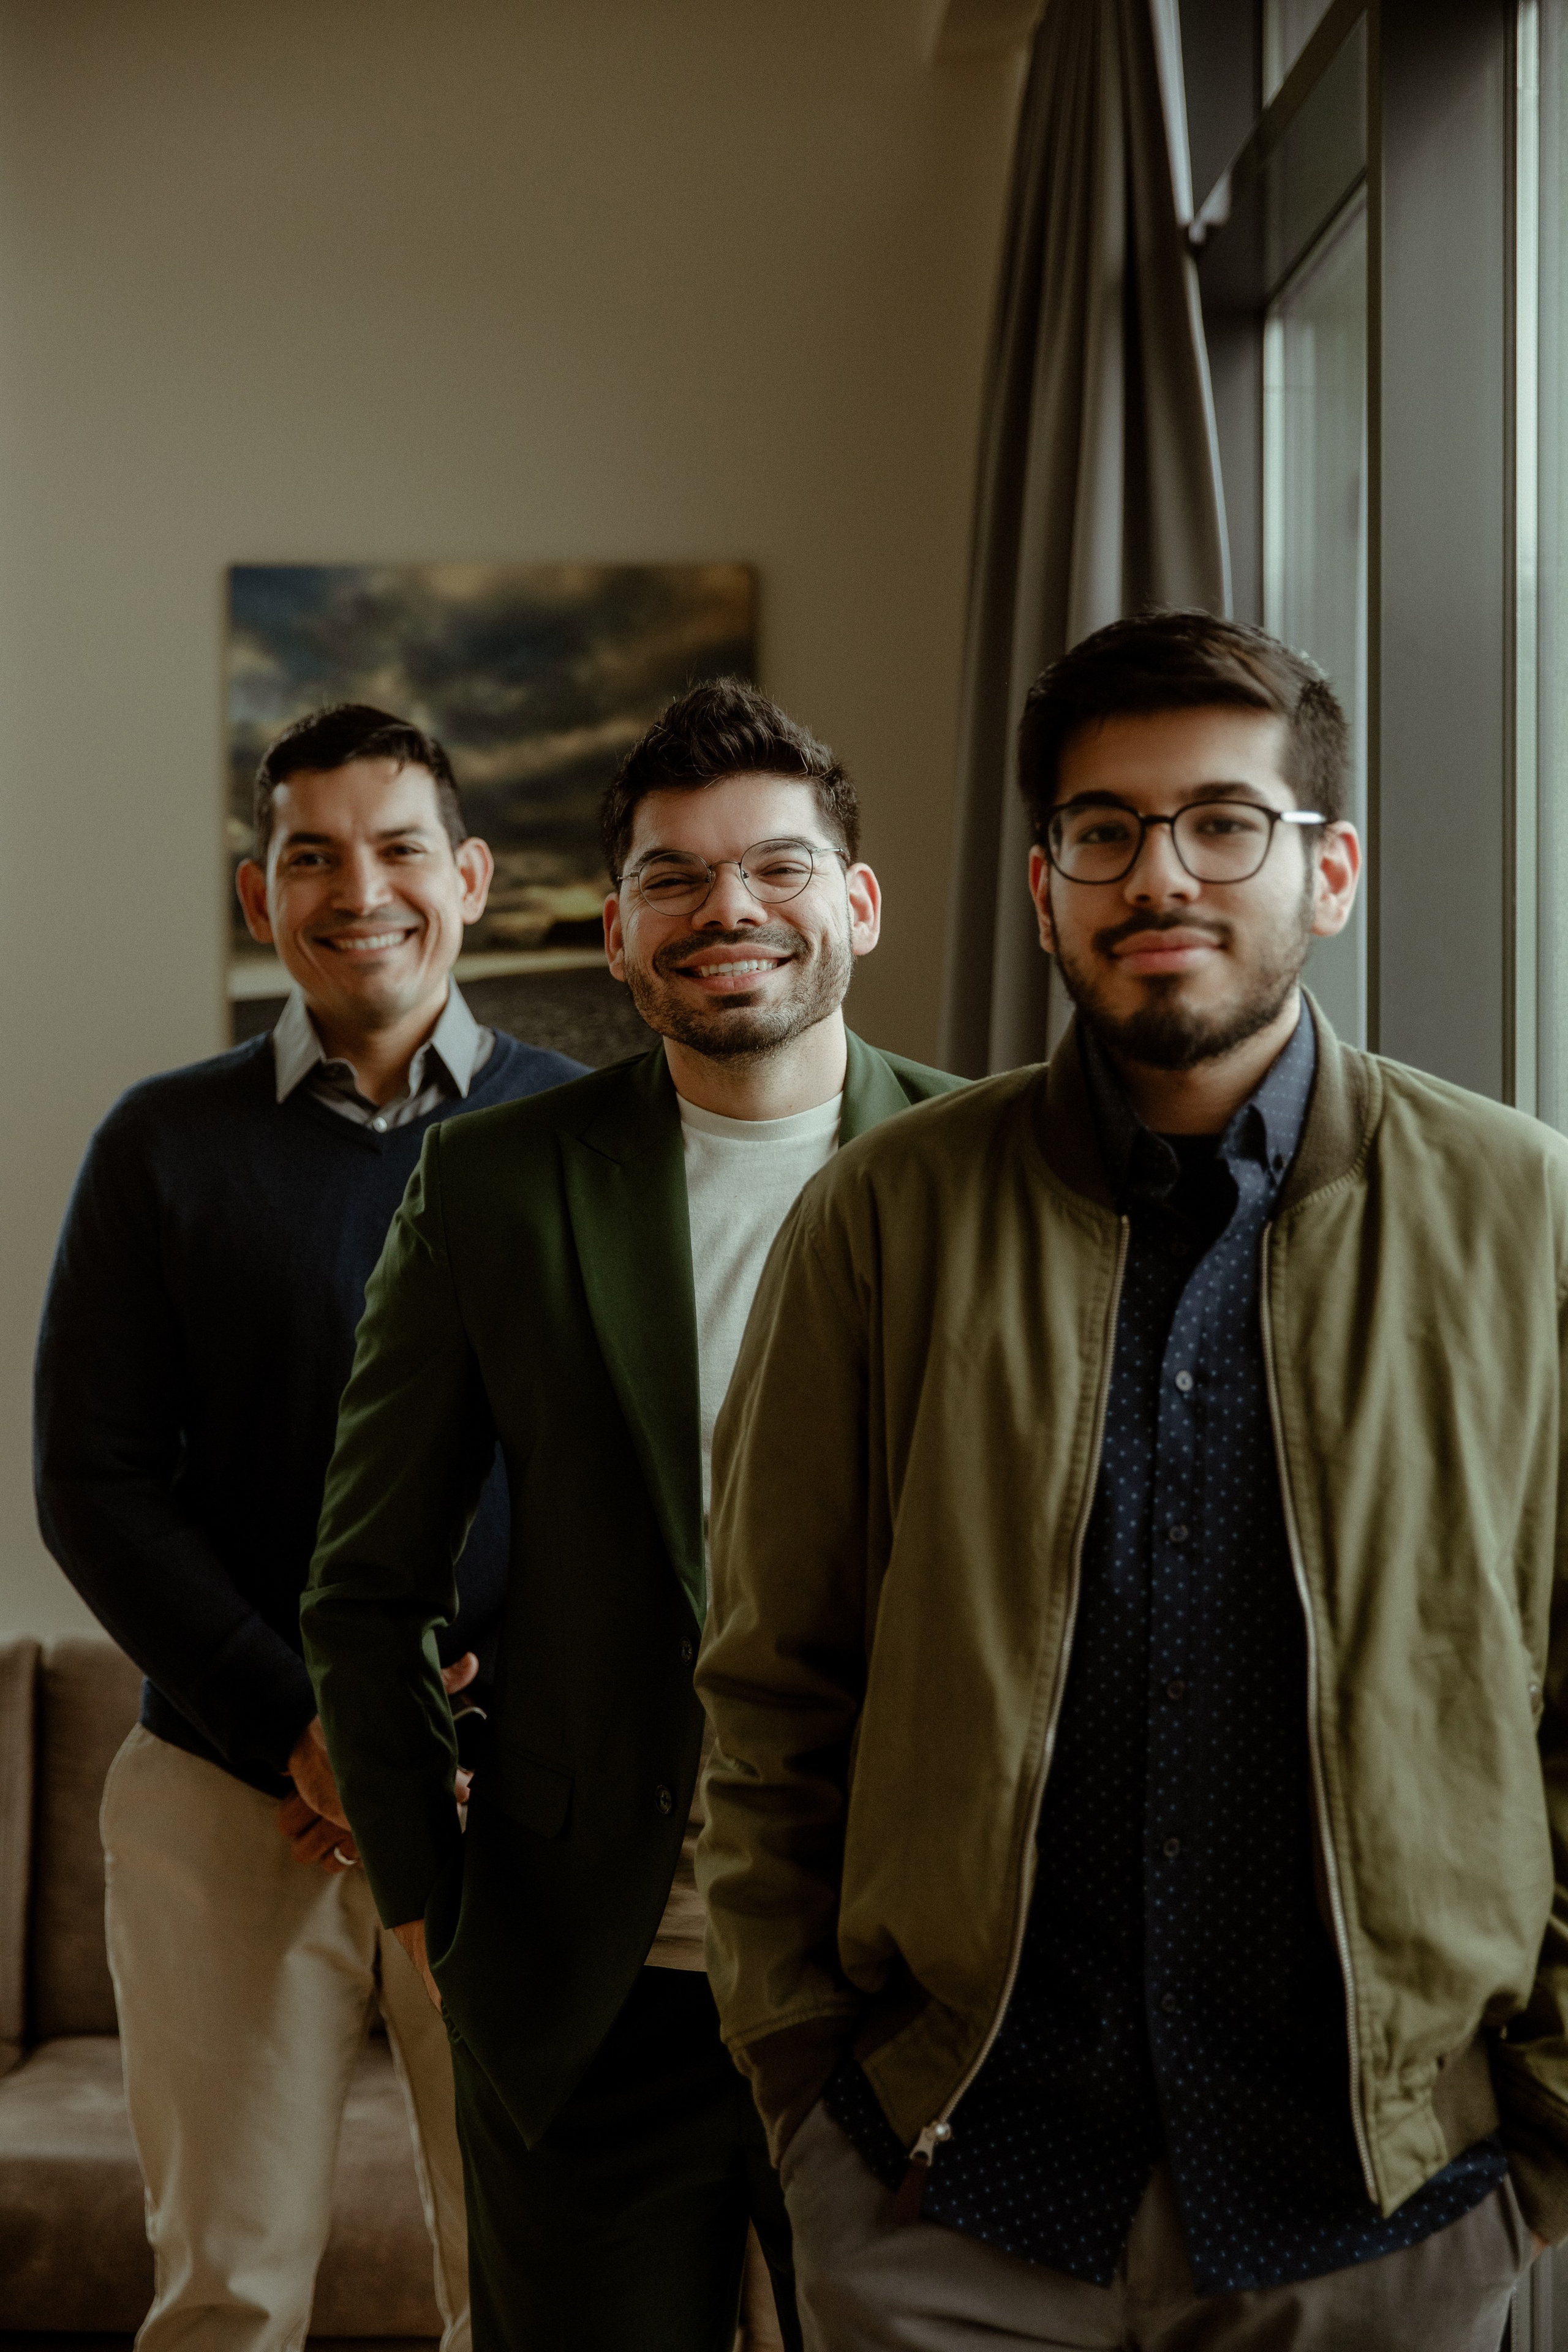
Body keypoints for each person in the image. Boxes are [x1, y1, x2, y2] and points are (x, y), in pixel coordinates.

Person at [696, 609, 1568, 2352]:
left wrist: (1540, 2130)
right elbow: (775, 1688)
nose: (1159, 873)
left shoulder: (1523, 1217)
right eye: (1105, 830)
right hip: (951, 2192)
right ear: (1045, 891)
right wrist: (807, 2099)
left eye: (1223, 822)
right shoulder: (883, 1218)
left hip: (1383, 2212)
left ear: (1330, 872)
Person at [299, 677, 963, 2352]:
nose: (727, 908)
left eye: (777, 867)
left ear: (860, 903)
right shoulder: (496, 1185)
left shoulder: (994, 1171)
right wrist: (429, 1907)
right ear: (616, 932)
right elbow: (367, 1588)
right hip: (593, 1995)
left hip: (916, 2002)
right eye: (673, 877)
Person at [34, 703, 584, 2352]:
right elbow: (92, 1483)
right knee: (226, 2297)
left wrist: (459, 1732)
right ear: (255, 893)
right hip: (226, 1798)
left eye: (400, 848)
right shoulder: (160, 1145)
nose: (360, 891)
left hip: (510, 1801)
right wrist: (306, 1726)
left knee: (532, 2290)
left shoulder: (586, 1137)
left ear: (469, 878)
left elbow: (633, 1485)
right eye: (311, 857)